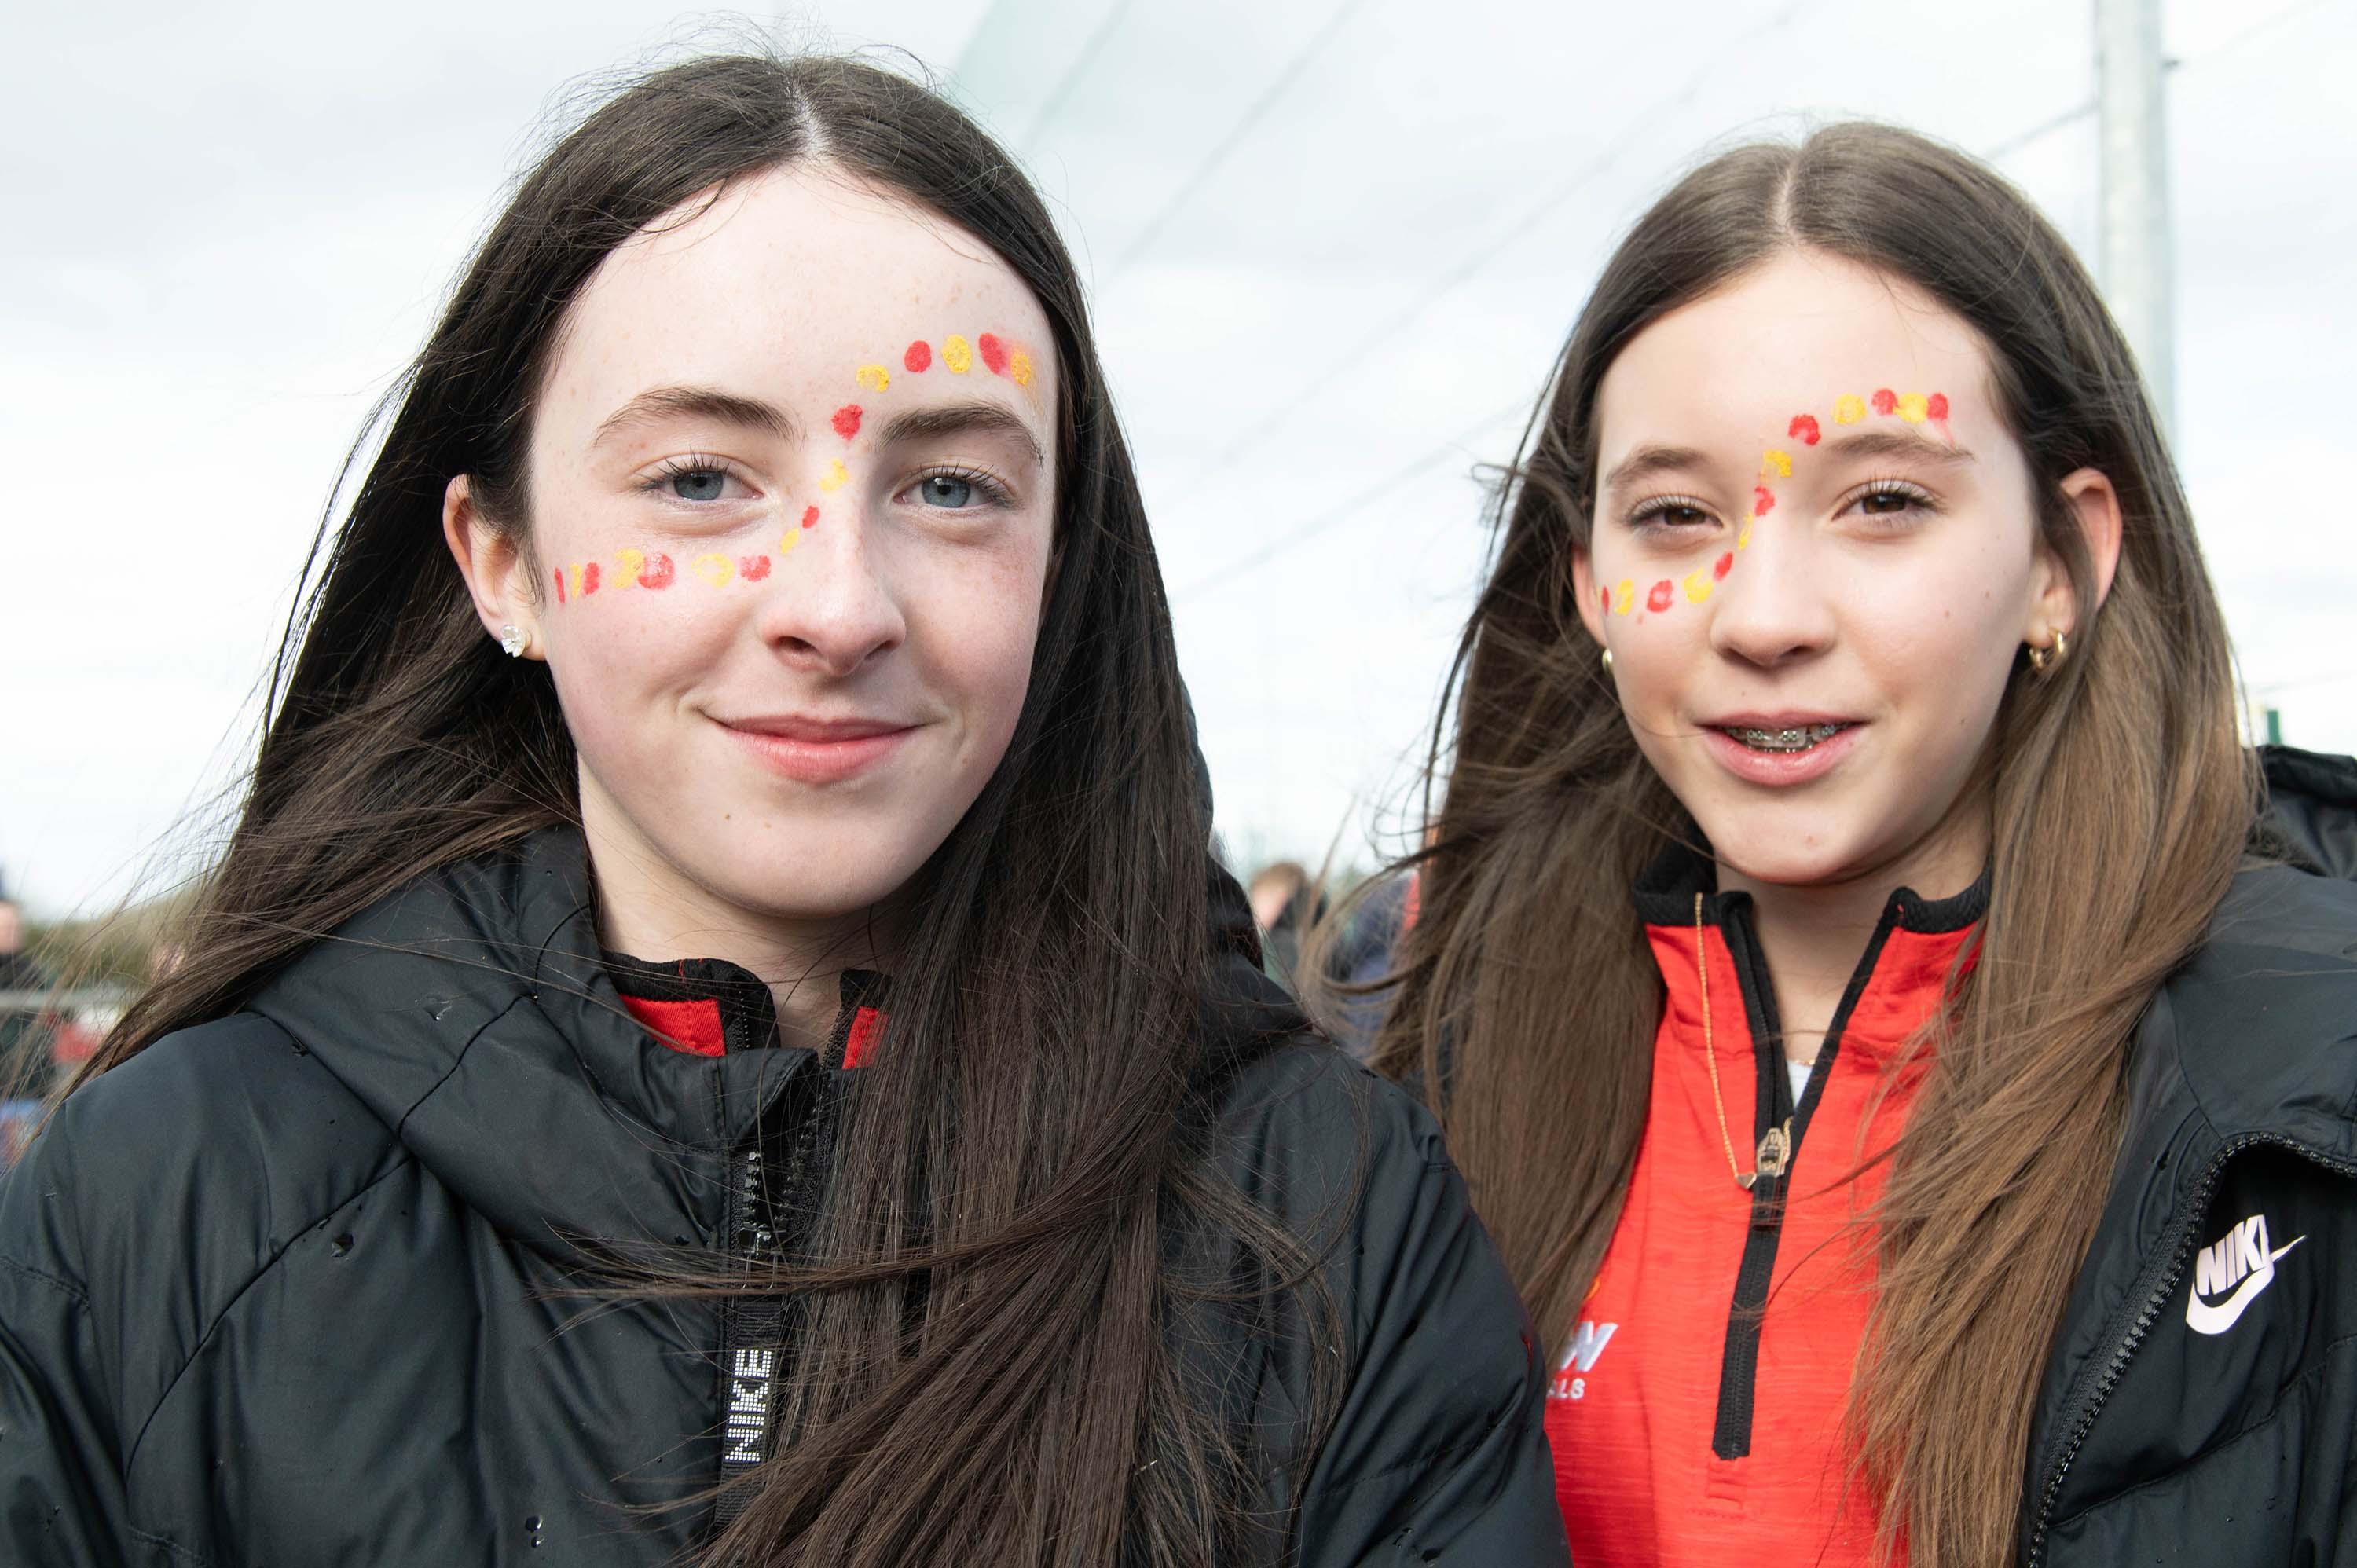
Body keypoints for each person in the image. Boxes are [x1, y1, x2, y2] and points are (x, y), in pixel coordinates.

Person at [0, 56, 1565, 1567]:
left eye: (951, 485)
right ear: (502, 561)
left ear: (1062, 562)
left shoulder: (1328, 1209)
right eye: (698, 478)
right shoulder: (166, 1196)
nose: (837, 603)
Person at [1366, 123, 2357, 1567]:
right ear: (1588, 583)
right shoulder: (1414, 1101)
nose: (1763, 615)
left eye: (1885, 501)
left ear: (2061, 560)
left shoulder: (2308, 1096)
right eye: (1675, 516)